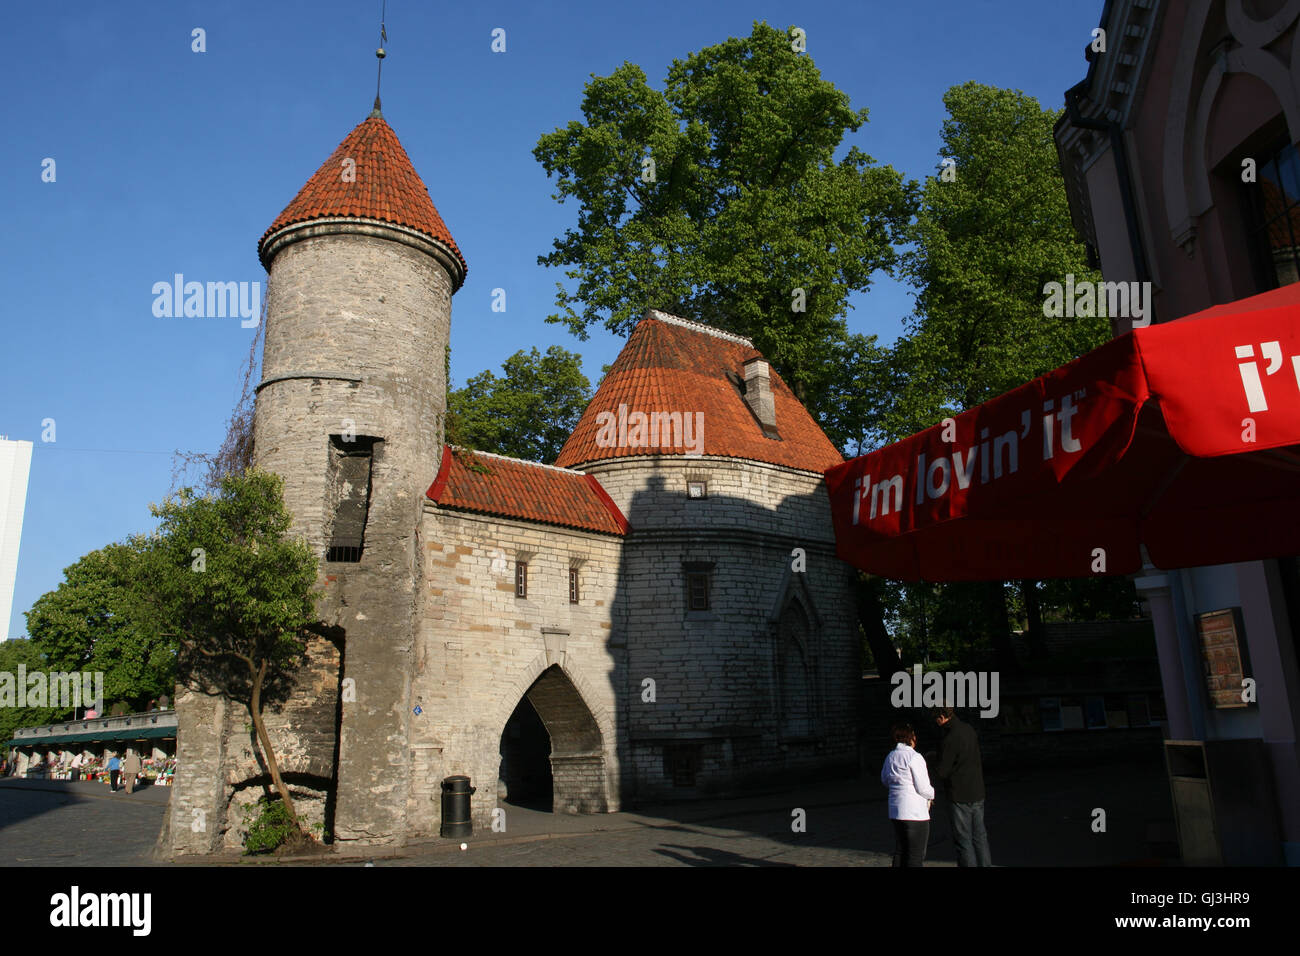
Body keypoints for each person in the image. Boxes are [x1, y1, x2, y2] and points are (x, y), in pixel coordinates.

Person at [934, 705, 992, 867]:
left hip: (959, 794)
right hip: (977, 790)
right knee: (980, 837)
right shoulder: (968, 729)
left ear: (942, 716)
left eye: (936, 718)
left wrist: (933, 761)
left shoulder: (950, 738)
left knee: (963, 840)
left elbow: (942, 771)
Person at [880, 722, 935, 867]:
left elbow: (885, 779)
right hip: (914, 812)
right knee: (915, 854)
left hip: (895, 810)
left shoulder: (890, 756)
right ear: (911, 737)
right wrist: (932, 794)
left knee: (900, 851)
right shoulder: (915, 757)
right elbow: (923, 787)